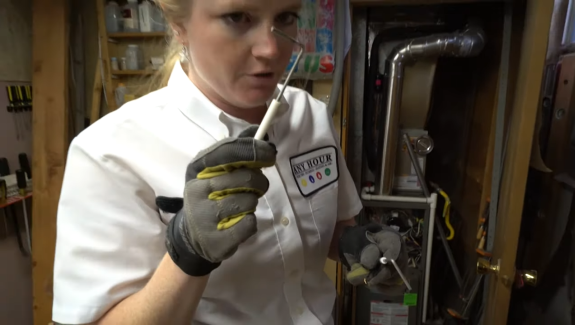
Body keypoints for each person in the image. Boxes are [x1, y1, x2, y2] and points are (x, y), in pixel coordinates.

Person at [52, 0, 405, 324]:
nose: (271, 49)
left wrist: (356, 245)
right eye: (237, 17)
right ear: (179, 25)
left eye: (285, 17)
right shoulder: (109, 153)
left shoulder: (310, 116)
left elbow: (336, 226)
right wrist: (187, 252)